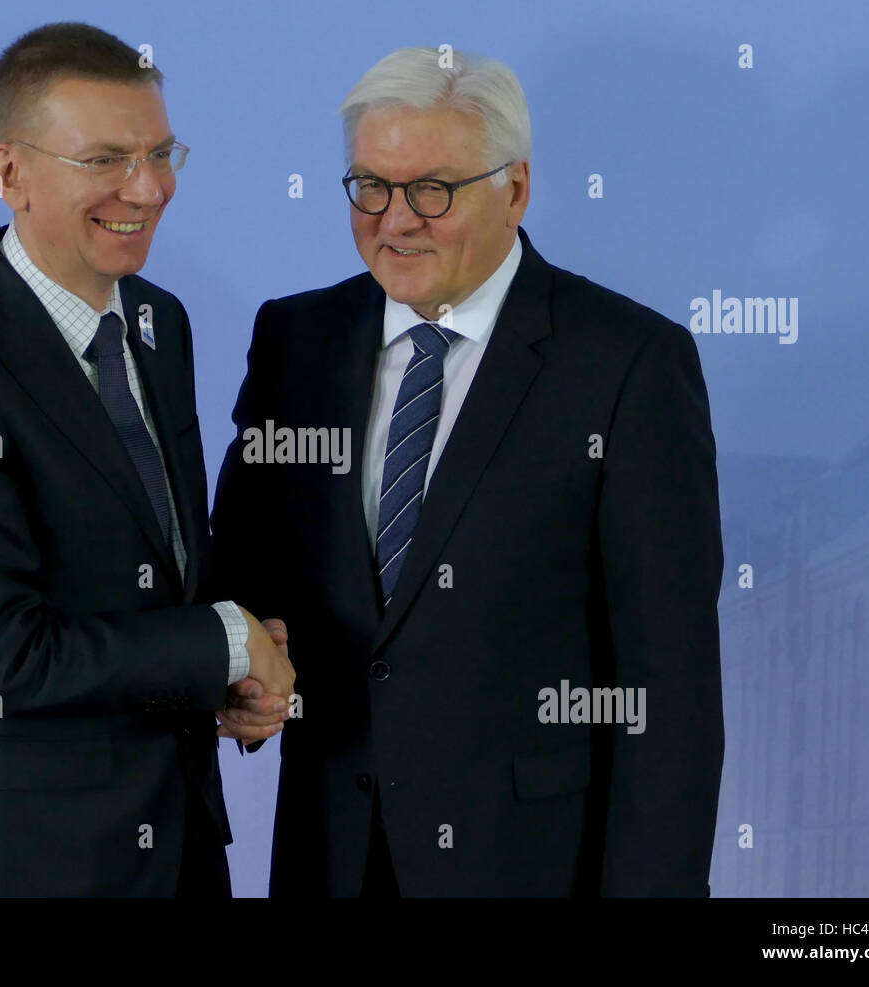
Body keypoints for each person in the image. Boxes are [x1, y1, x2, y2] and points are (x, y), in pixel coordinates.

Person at [209, 46, 725, 896]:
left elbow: (668, 693)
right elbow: (247, 564)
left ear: (515, 188)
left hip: (531, 867)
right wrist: (241, 663)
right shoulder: (296, 340)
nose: (395, 219)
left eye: (432, 189)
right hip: (330, 855)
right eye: (370, 185)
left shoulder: (628, 362)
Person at [0, 21, 291, 897]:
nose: (150, 187)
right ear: (10, 173)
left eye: (162, 152)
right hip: (29, 869)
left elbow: (152, 571)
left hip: (183, 854)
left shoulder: (159, 324)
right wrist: (221, 639)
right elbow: (3, 659)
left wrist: (229, 674)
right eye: (106, 159)